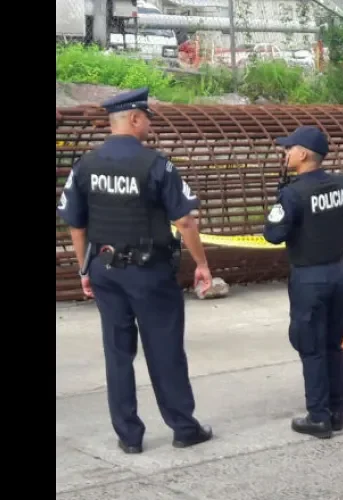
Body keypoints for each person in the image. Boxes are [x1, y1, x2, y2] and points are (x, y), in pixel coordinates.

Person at [56, 87, 214, 454]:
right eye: (147, 119)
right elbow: (186, 222)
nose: (150, 125)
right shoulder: (156, 164)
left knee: (117, 352)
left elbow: (76, 226)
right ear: (134, 119)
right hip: (150, 273)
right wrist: (202, 264)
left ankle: (129, 436)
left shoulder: (85, 165)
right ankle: (183, 427)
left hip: (104, 270)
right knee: (165, 350)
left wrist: (84, 269)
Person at [263, 126, 343, 439]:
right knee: (333, 345)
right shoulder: (342, 184)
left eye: (289, 149)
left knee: (311, 348)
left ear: (304, 154)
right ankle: (337, 411)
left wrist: (278, 208)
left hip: (309, 278)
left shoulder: (293, 193)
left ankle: (318, 416)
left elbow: (273, 234)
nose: (285, 154)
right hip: (339, 274)